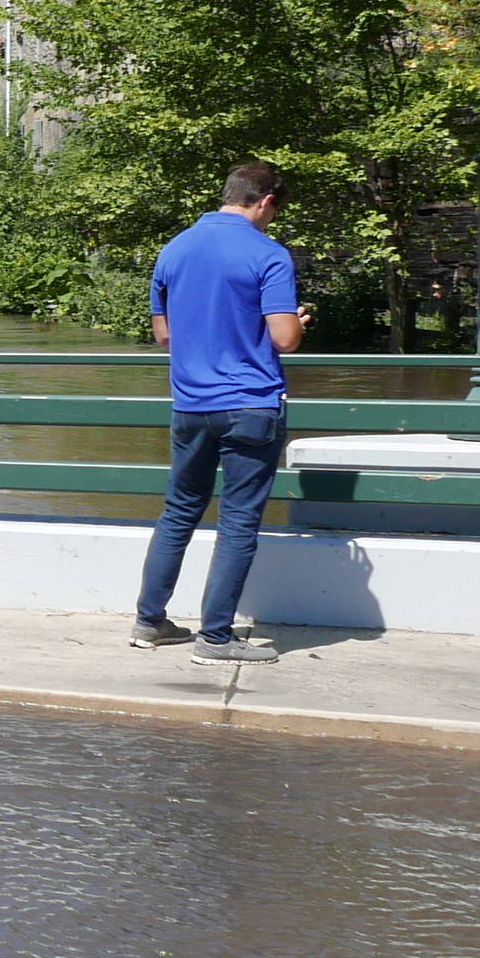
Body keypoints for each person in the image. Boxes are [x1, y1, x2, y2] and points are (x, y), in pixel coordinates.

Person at [133, 161, 310, 661]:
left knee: (179, 511)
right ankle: (215, 638)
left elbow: (164, 335)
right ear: (267, 201)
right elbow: (285, 339)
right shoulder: (268, 254)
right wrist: (296, 321)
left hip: (190, 405)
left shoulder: (175, 248)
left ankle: (150, 622)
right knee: (237, 521)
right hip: (250, 405)